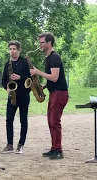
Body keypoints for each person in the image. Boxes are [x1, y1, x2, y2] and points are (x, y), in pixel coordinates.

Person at [30, 32, 68, 160]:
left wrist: (37, 72)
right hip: (54, 92)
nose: (39, 45)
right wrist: (44, 86)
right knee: (51, 122)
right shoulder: (49, 58)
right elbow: (51, 79)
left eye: (42, 42)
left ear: (49, 43)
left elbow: (55, 77)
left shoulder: (54, 57)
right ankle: (54, 148)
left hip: (59, 93)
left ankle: (59, 150)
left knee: (55, 122)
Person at [1, 40, 31, 154]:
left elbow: (30, 78)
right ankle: (10, 145)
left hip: (23, 95)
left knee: (23, 120)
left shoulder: (25, 62)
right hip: (12, 96)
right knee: (9, 120)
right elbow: (3, 80)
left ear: (19, 50)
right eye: (10, 49)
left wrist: (20, 77)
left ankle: (21, 145)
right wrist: (7, 88)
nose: (12, 51)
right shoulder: (7, 64)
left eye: (14, 49)